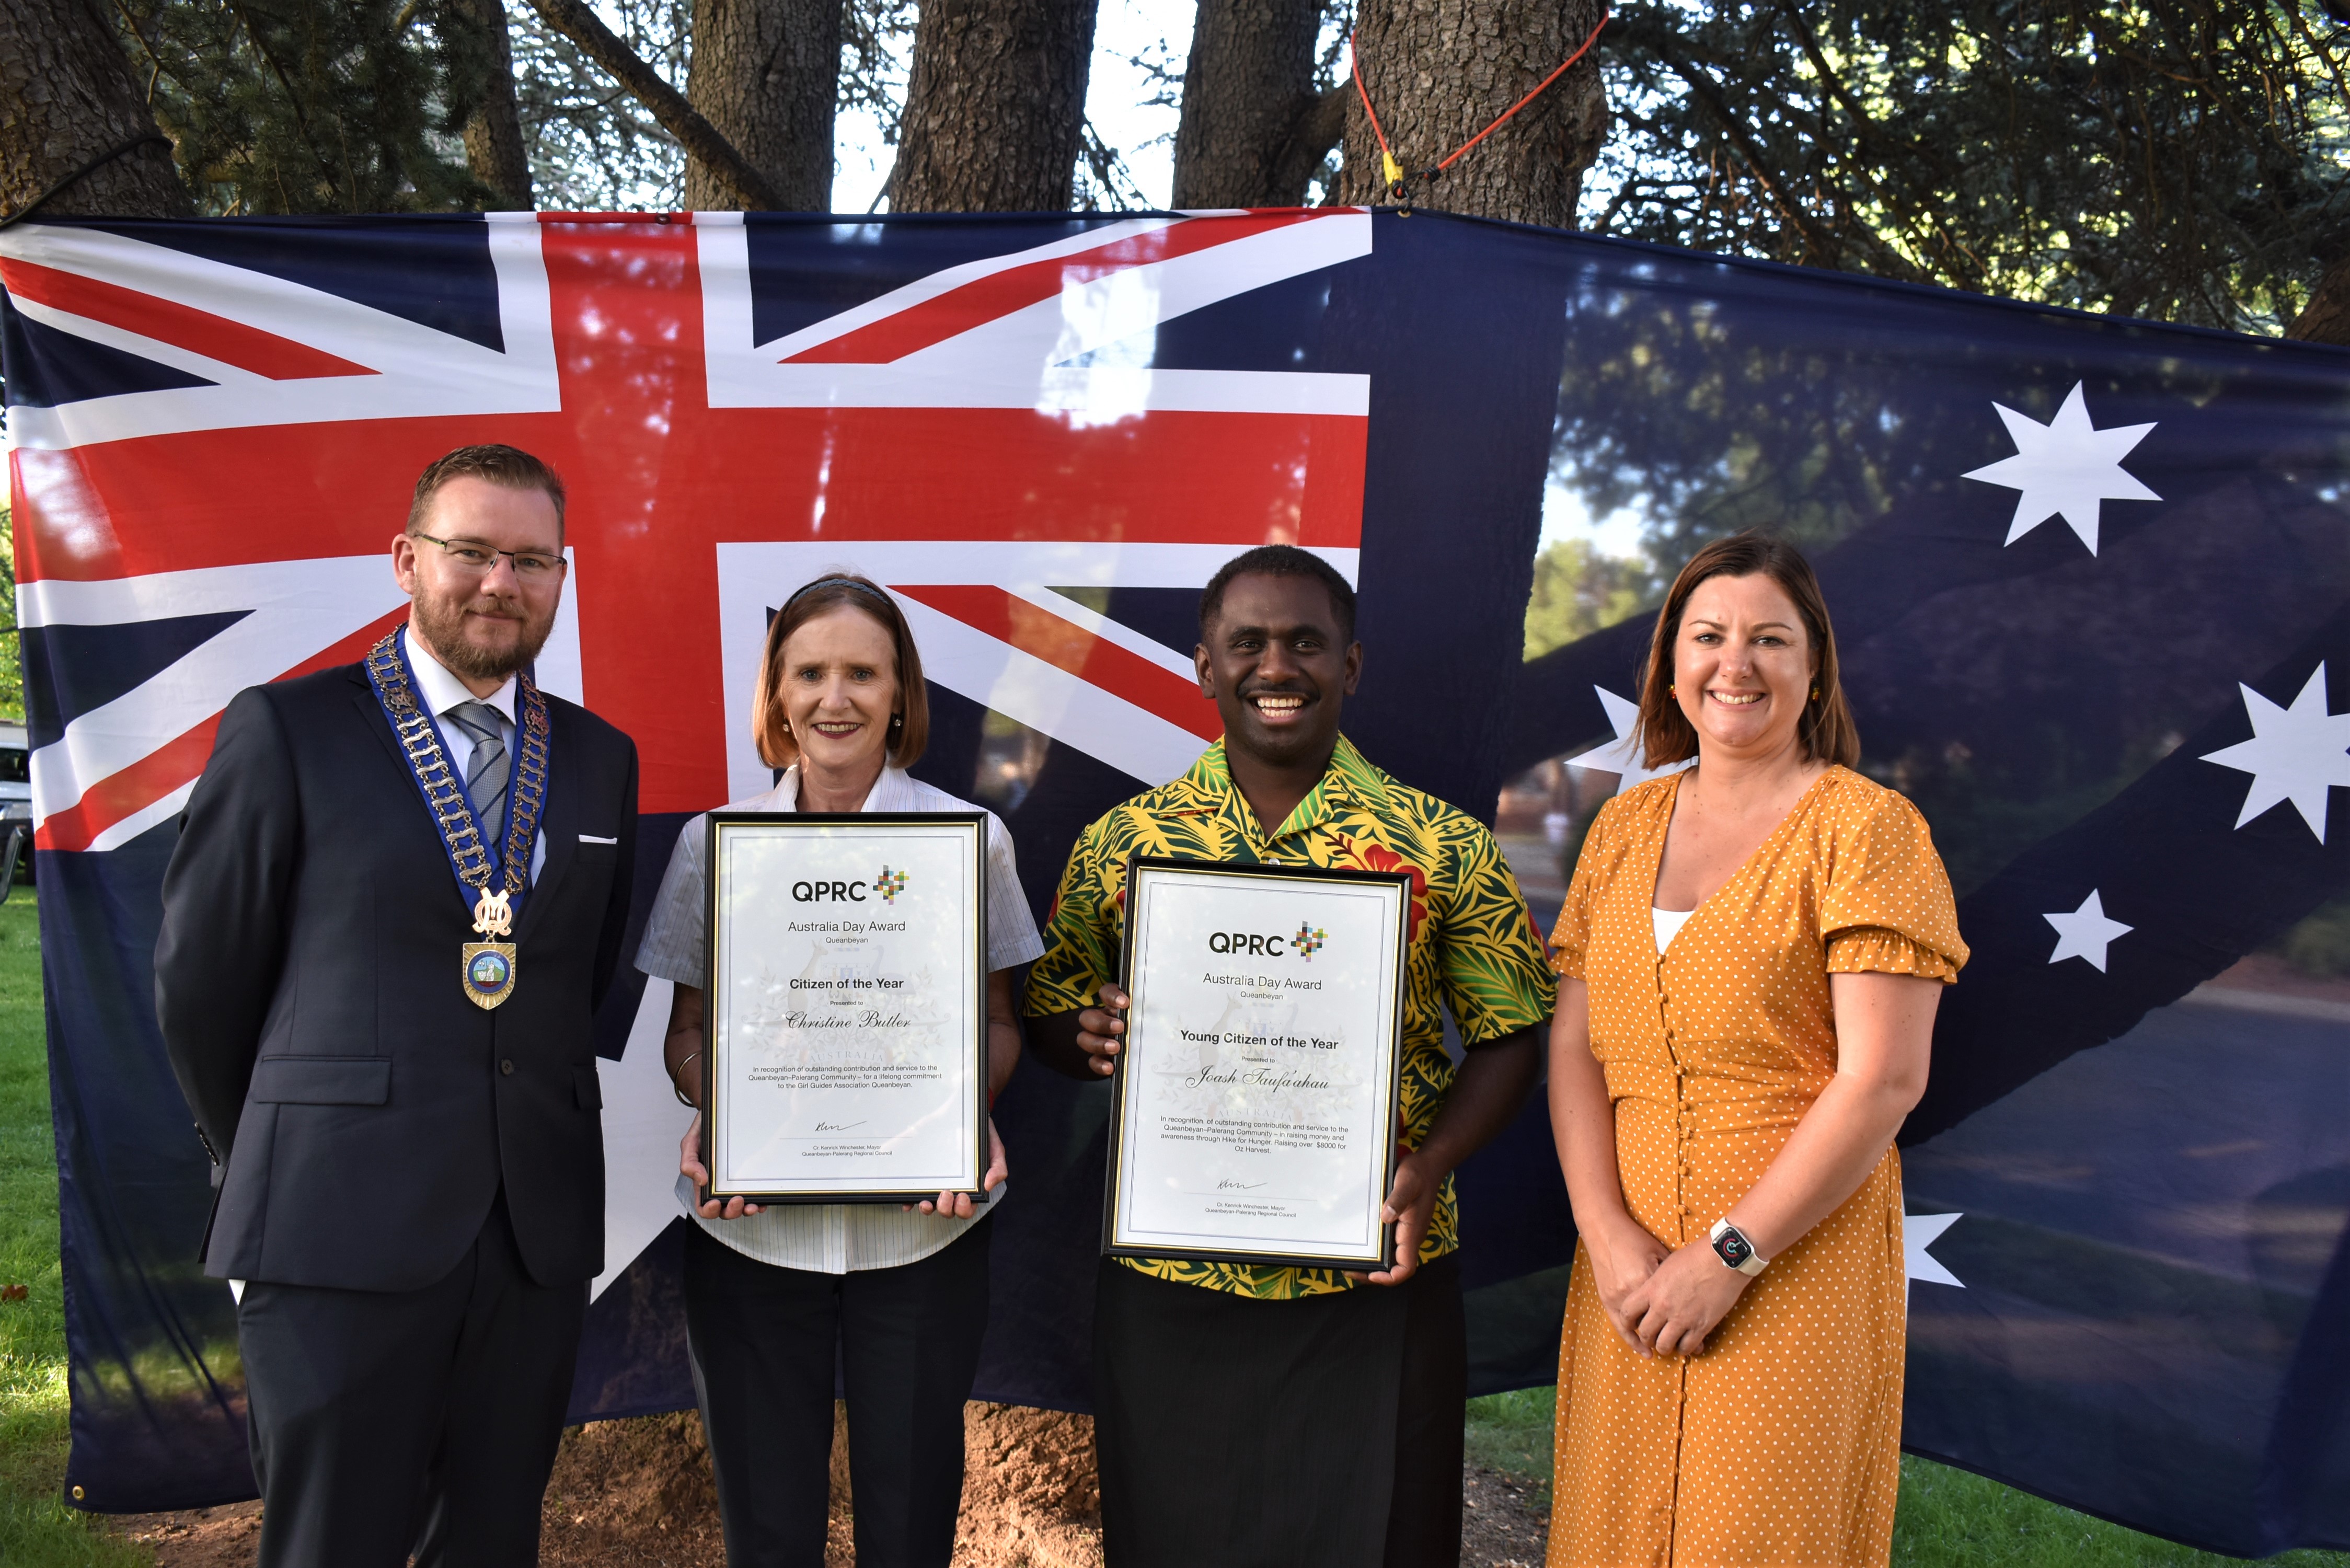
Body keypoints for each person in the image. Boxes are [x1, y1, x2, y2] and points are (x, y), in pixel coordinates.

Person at [154, 444, 640, 1566]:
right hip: (333, 1225)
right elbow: (202, 985)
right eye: (470, 551)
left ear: (562, 578)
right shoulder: (288, 731)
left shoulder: (599, 760)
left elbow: (577, 974)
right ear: (406, 559)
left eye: (531, 560)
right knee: (335, 1543)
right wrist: (281, 1149)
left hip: (530, 1237)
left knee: (489, 1540)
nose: (498, 583)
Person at [1025, 544, 1556, 1568]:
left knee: (1380, 1539)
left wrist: (1429, 1167)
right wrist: (1080, 1032)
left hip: (1375, 1270)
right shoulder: (1121, 844)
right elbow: (1050, 1013)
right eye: (1249, 643)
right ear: (1203, 665)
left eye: (1306, 642)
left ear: (1349, 667)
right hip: (1173, 1274)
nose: (1278, 665)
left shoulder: (1443, 846)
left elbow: (1510, 1037)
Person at [1543, 532, 1968, 1565]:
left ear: (1813, 665)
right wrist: (1603, 1231)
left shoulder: (1867, 831)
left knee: (1758, 1537)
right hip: (1624, 1272)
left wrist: (1729, 1257)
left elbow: (1883, 1078)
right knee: (1609, 1528)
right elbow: (1573, 1053)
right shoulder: (1622, 827)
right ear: (1669, 663)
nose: (1735, 665)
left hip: (1790, 1265)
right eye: (1709, 636)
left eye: (1769, 639)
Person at [637, 573, 1043, 1568]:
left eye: (862, 672)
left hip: (922, 1233)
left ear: (901, 691)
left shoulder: (971, 843)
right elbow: (684, 1035)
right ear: (775, 695)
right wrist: (719, 1107)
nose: (835, 697)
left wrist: (967, 1113)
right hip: (753, 1239)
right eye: (809, 672)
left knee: (909, 1529)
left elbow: (999, 1021)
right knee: (767, 1529)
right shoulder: (714, 846)